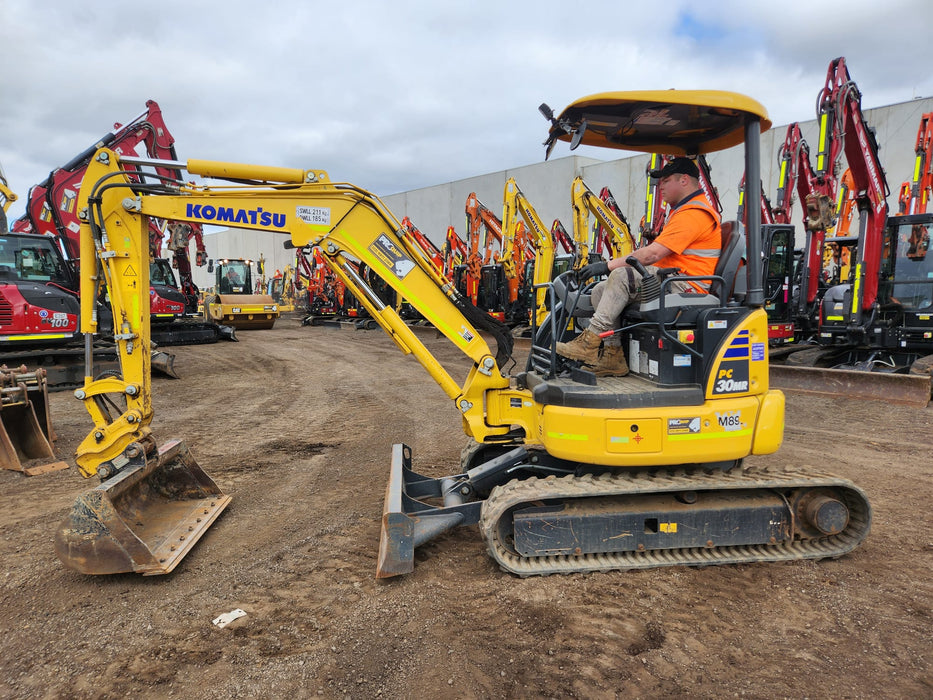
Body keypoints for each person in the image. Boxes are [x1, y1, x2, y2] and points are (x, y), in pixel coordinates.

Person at [556, 157, 722, 377]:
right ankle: (613, 356)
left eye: (666, 181)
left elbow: (653, 254)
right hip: (670, 281)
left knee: (621, 276)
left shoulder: (694, 214)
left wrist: (607, 266)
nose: (660, 186)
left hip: (685, 287)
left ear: (684, 180)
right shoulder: (682, 212)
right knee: (600, 290)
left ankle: (589, 342)